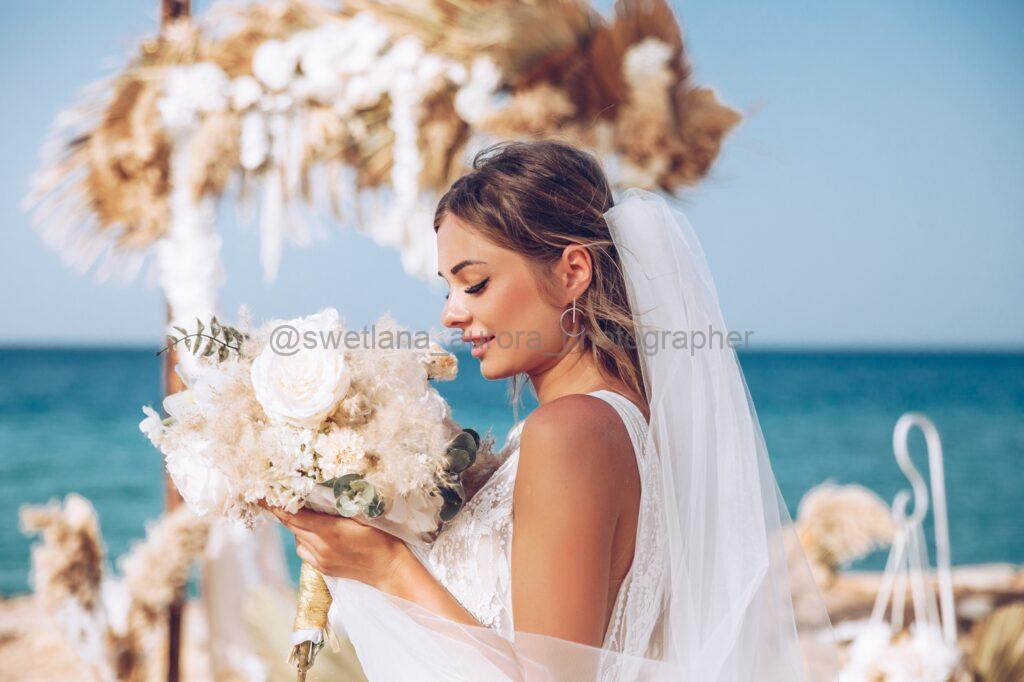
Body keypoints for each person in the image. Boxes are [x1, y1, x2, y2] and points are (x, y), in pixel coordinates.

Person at [269, 139, 836, 680]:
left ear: (572, 273)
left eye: (476, 283)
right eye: (447, 288)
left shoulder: (572, 431)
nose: (451, 314)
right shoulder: (611, 423)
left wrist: (389, 566)